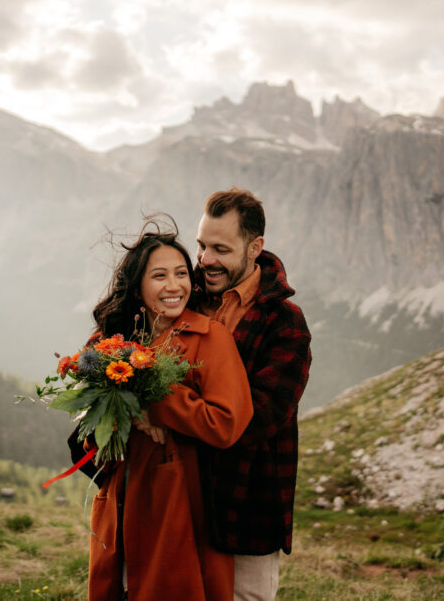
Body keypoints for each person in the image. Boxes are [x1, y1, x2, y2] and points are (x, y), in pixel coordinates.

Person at [80, 220, 254, 600]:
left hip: (177, 498)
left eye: (181, 274)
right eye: (159, 275)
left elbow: (226, 424)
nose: (174, 285)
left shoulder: (210, 337)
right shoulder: (113, 340)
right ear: (138, 286)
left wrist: (155, 403)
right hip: (121, 494)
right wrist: (130, 413)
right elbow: (88, 417)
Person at [171, 187, 311, 601]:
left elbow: (257, 418)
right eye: (201, 246)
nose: (205, 260)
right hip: (179, 495)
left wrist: (162, 410)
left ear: (255, 248)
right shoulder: (185, 294)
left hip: (245, 504)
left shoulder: (285, 323)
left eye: (220, 248)